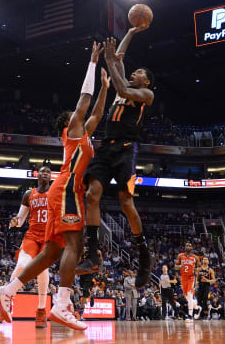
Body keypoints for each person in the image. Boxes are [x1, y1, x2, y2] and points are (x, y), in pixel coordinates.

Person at [0, 41, 110, 331]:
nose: (80, 114)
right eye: (75, 114)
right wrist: (93, 63)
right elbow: (85, 98)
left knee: (51, 253)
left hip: (66, 191)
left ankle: (8, 291)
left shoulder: (84, 134)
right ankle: (61, 304)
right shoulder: (72, 130)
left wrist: (106, 88)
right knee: (73, 244)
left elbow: (96, 113)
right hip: (68, 189)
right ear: (67, 123)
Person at [76, 29, 156, 291]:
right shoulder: (125, 87)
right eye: (134, 72)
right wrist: (131, 31)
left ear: (146, 82)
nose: (134, 73)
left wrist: (111, 62)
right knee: (91, 195)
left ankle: (144, 254)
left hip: (126, 148)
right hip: (106, 147)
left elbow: (118, 74)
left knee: (125, 201)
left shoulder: (145, 95)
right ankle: (92, 254)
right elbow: (119, 57)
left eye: (140, 72)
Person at [0, 166, 52, 327]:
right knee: (21, 265)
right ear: (37, 175)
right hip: (32, 236)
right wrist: (15, 221)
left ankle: (41, 310)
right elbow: (20, 220)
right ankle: (7, 302)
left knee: (43, 270)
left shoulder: (55, 193)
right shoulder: (28, 194)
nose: (45, 173)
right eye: (42, 171)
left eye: (48, 171)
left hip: (48, 238)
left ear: (50, 176)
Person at [175, 243, 200, 322]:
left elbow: (199, 267)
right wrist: (179, 266)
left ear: (192, 247)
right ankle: (197, 308)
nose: (188, 247)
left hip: (191, 278)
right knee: (186, 297)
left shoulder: (195, 257)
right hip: (183, 278)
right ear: (185, 247)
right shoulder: (180, 255)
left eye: (190, 245)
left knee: (189, 295)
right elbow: (175, 266)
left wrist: (196, 271)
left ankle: (190, 315)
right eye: (187, 245)